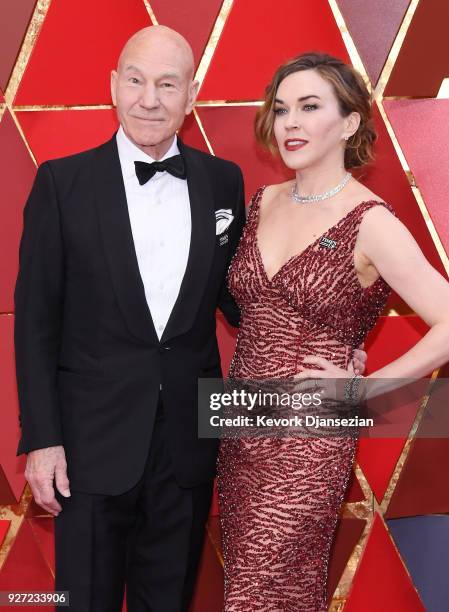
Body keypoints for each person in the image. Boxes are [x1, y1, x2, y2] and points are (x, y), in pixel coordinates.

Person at [14, 25, 248, 612]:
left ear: (191, 96)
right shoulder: (62, 184)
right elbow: (36, 323)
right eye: (137, 81)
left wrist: (326, 337)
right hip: (88, 452)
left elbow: (241, 298)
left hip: (186, 450)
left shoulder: (225, 183)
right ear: (113, 87)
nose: (150, 99)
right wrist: (43, 441)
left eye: (168, 85)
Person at [217, 52, 449, 611]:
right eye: (281, 109)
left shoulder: (370, 220)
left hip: (311, 435)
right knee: (272, 593)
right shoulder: (262, 202)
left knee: (257, 595)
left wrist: (363, 391)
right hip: (239, 425)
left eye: (309, 107)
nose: (290, 122)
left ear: (349, 124)